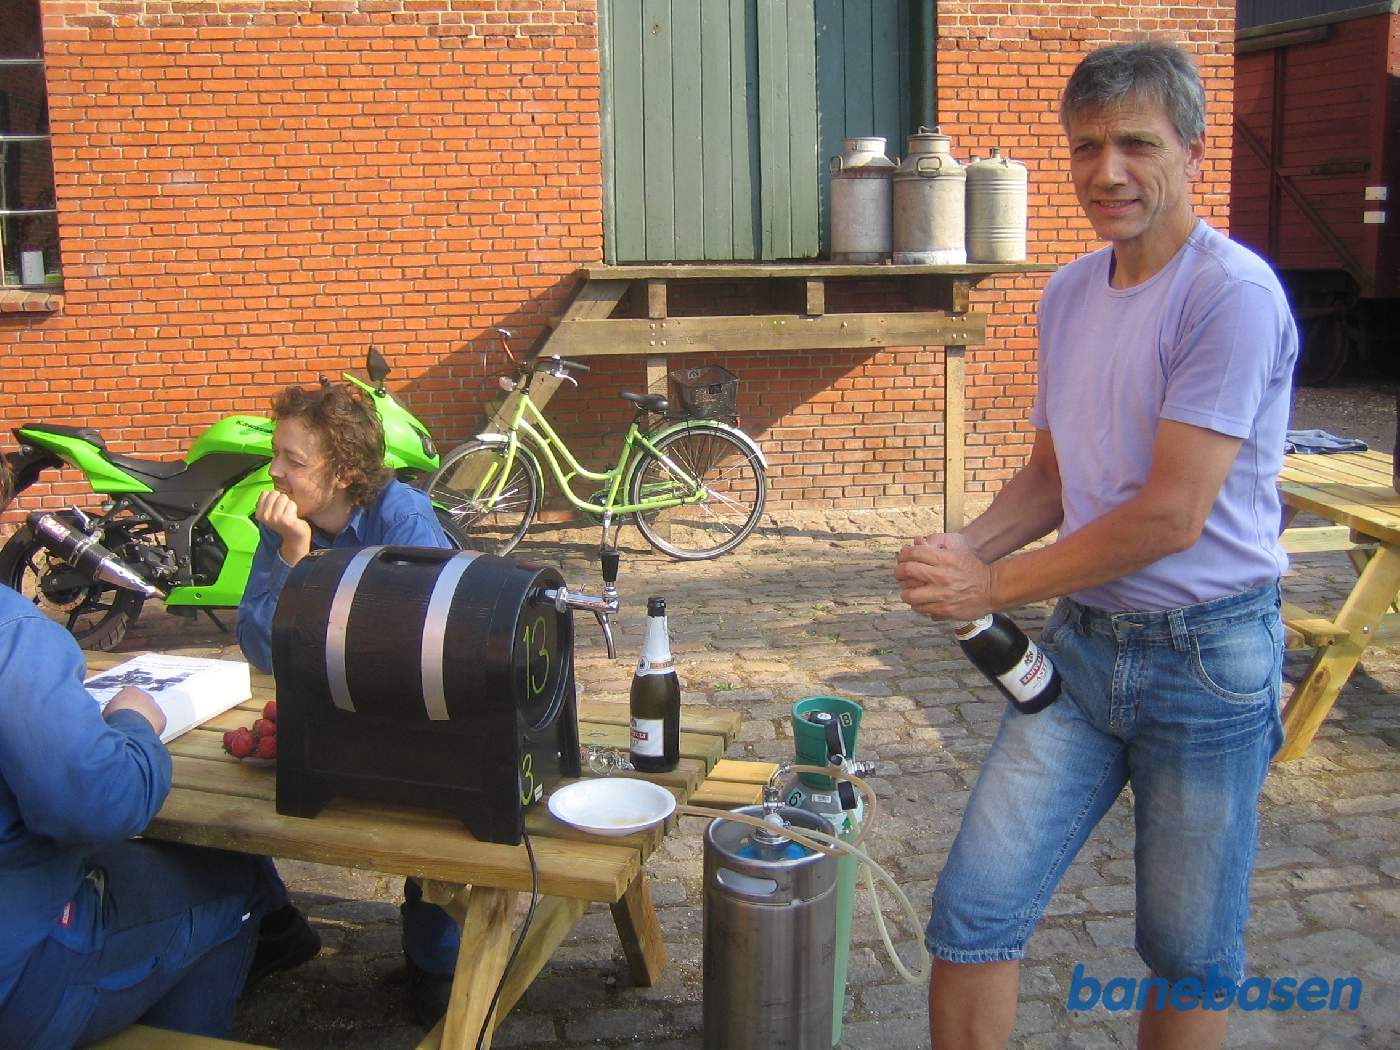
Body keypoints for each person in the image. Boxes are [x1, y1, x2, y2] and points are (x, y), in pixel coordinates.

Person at [895, 42, 1296, 1050]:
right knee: (972, 914)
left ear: (1193, 152)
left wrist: (992, 582)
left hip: (1208, 661)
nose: (1105, 171)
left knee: (1186, 951)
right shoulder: (1069, 292)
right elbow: (1052, 478)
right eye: (1084, 147)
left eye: (1135, 144)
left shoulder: (1229, 296)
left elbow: (1169, 515)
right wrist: (957, 551)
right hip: (1081, 651)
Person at [0, 460, 286, 1050]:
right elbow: (98, 804)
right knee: (232, 876)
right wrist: (134, 724)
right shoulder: (14, 637)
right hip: (22, 978)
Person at [235, 380, 460, 1026]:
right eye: (275, 454)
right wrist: (293, 557)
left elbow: (427, 645)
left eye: (293, 460)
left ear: (345, 474)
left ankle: (436, 958)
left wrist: (314, 614)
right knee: (210, 797)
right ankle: (271, 923)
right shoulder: (283, 523)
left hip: (414, 722)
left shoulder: (403, 519)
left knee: (432, 819)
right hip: (326, 718)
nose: (275, 472)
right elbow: (259, 645)